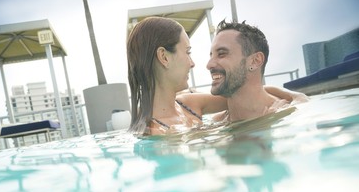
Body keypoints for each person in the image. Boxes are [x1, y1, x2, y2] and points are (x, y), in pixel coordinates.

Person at [127, 17, 307, 135]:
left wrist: (297, 98)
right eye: (187, 52)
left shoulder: (188, 104)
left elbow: (245, 91)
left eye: (221, 54)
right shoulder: (157, 132)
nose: (194, 63)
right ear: (164, 57)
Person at [207, 19, 306, 123]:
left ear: (255, 61)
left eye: (222, 54)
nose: (209, 65)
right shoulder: (216, 122)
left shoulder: (290, 117)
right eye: (211, 55)